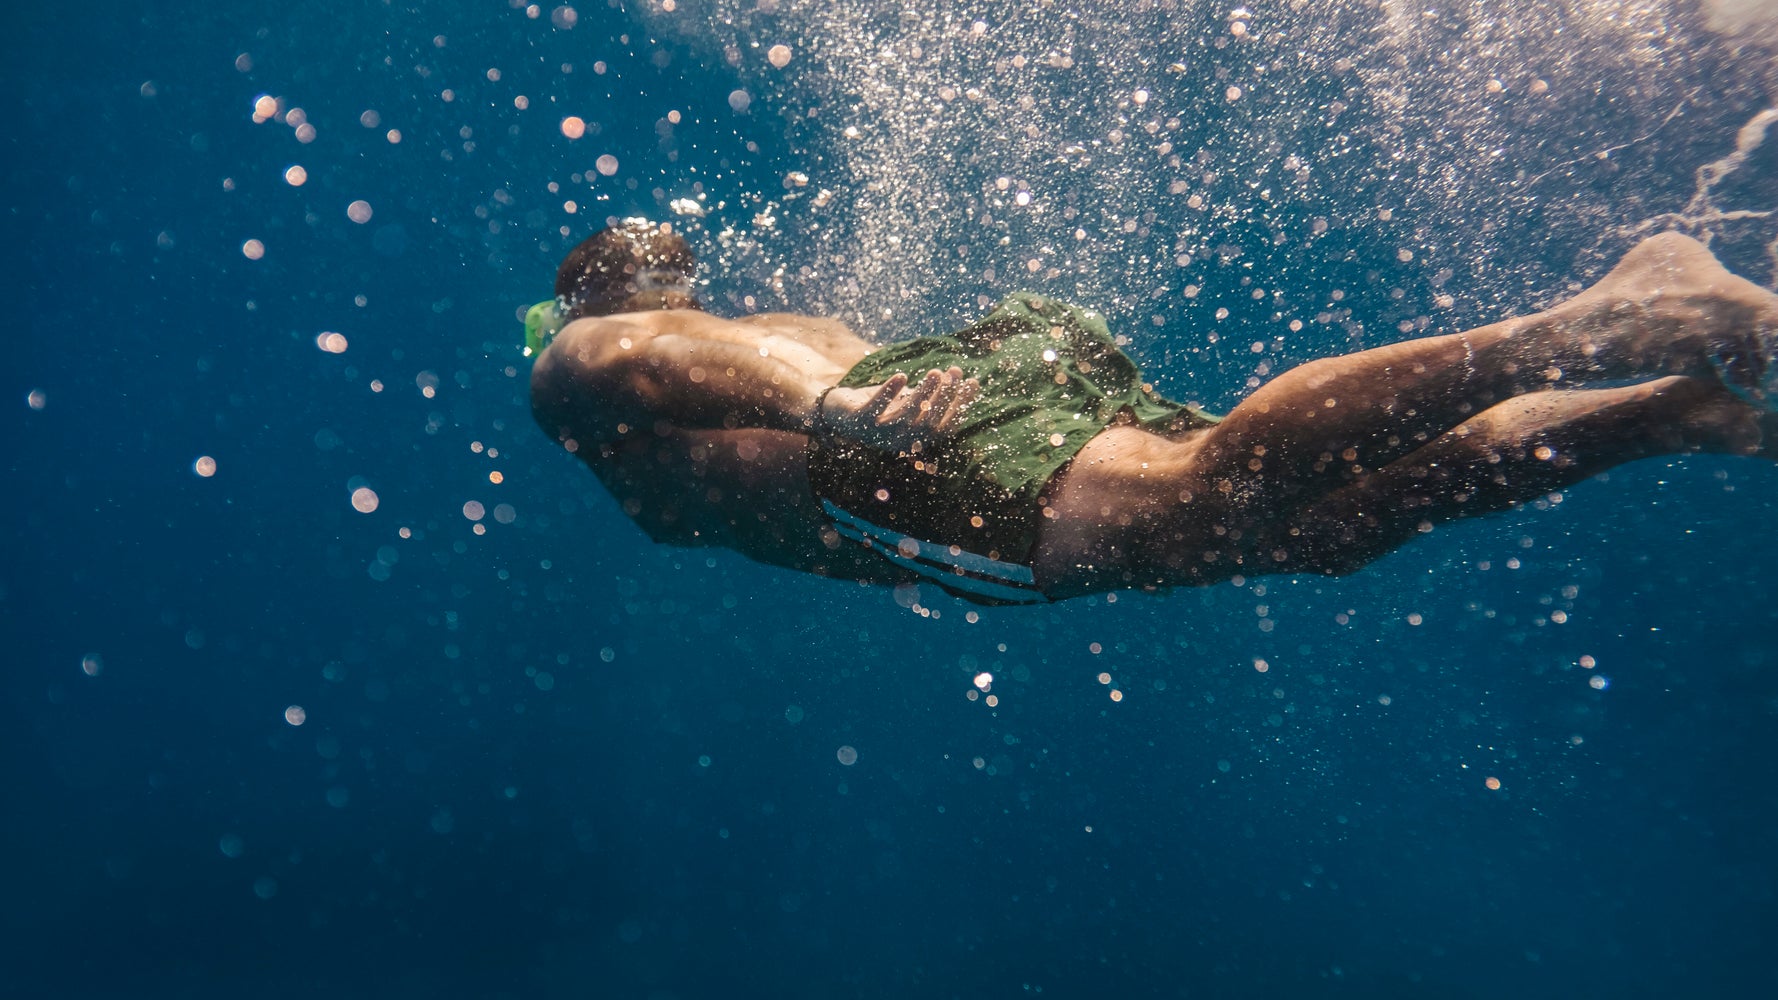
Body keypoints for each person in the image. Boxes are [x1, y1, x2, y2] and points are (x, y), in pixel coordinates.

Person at [527, 218, 1778, 605]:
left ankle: (1594, 325)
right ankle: (1671, 412)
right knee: (1314, 520)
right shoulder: (762, 325)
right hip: (948, 410)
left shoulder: (575, 362)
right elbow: (686, 349)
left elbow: (633, 356)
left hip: (890, 463)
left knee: (1217, 491)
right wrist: (845, 400)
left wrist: (836, 414)